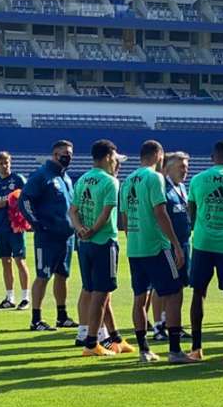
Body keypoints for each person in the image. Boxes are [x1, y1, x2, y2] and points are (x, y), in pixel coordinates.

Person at [120, 140, 194, 364]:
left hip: (135, 247)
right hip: (157, 247)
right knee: (174, 294)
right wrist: (175, 244)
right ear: (159, 155)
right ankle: (174, 350)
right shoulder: (155, 178)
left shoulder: (128, 180)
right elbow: (160, 212)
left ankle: (144, 350)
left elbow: (123, 217)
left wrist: (133, 236)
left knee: (140, 299)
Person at [69, 139, 134, 356]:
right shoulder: (110, 182)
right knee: (101, 293)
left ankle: (114, 338)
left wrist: (81, 230)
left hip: (84, 243)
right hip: (104, 242)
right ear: (108, 157)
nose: (117, 163)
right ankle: (91, 344)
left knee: (98, 291)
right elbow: (106, 214)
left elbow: (73, 211)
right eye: (116, 159)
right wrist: (94, 230)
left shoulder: (83, 179)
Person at [187, 141, 223, 361]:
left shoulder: (198, 179)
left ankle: (196, 347)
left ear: (212, 157)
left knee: (198, 292)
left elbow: (192, 209)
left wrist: (199, 225)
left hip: (202, 242)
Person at [18, 140, 78, 331]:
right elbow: (25, 199)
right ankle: (36, 319)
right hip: (47, 236)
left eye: (70, 153)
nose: (68, 156)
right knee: (43, 275)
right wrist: (36, 223)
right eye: (64, 153)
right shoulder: (41, 175)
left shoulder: (66, 178)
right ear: (54, 155)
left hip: (67, 236)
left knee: (62, 275)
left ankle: (62, 315)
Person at [150, 152, 192, 341]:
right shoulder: (162, 188)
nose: (185, 170)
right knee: (162, 287)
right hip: (167, 245)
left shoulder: (182, 187)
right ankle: (158, 325)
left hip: (183, 243)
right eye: (181, 167)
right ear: (167, 168)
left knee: (179, 286)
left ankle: (174, 323)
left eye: (186, 166)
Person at [0, 151, 30, 310]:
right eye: (1, 163)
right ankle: (9, 297)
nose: (4, 166)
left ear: (11, 163)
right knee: (5, 262)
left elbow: (26, 197)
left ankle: (25, 297)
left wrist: (7, 200)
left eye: (7, 162)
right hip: (0, 227)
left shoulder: (18, 179)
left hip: (15, 227)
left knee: (19, 260)